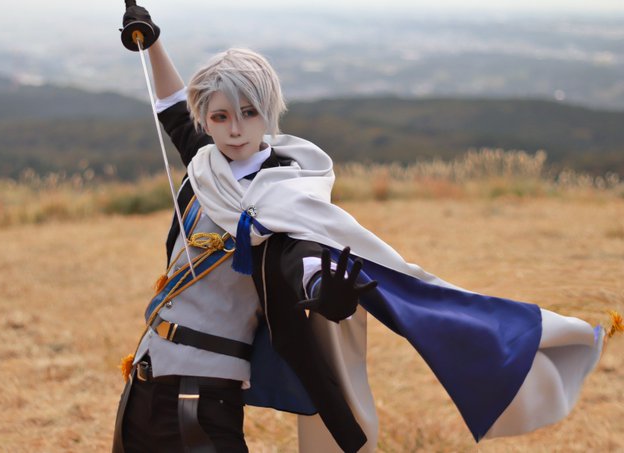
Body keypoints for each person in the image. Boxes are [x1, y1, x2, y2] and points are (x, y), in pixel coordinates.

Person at [113, 4, 615, 453]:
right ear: (206, 119)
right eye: (221, 116)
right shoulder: (206, 167)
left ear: (269, 113)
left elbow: (304, 260)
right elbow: (172, 107)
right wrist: (153, 42)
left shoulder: (287, 200)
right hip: (143, 378)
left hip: (203, 395)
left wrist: (326, 294)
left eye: (249, 112)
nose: (236, 128)